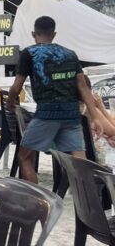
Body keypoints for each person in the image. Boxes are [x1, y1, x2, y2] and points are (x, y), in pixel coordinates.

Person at [7, 16, 114, 182]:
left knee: (24, 157)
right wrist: (94, 117)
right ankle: (87, 203)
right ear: (54, 34)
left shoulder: (29, 53)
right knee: (80, 164)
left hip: (46, 115)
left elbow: (16, 87)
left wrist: (10, 102)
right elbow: (83, 87)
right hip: (72, 116)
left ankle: (34, 202)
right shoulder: (70, 54)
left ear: (34, 34)